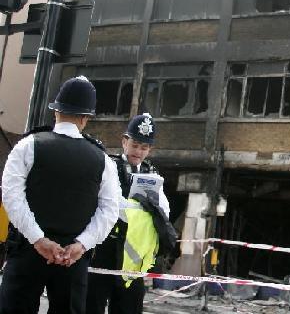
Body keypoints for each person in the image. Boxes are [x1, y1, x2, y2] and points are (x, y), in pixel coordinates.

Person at [0, 76, 121, 314]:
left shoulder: (28, 145)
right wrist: (82, 245)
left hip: (26, 252)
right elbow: (110, 210)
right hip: (72, 259)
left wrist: (38, 239)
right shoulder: (103, 160)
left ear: (56, 112)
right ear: (86, 119)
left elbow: (12, 197)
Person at [87, 113, 170, 314]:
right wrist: (140, 210)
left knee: (129, 307)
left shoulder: (152, 173)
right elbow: (109, 205)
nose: (138, 152)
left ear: (150, 149)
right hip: (105, 247)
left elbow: (164, 210)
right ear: (125, 142)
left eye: (144, 147)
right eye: (135, 145)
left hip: (133, 255)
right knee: (92, 303)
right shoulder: (109, 166)